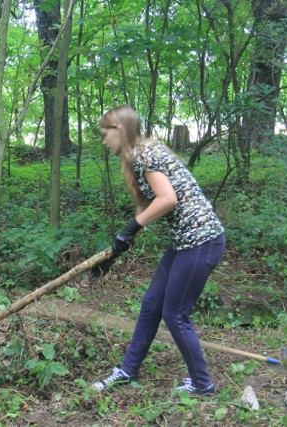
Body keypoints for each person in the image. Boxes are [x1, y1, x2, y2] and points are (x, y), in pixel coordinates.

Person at [91, 105, 226, 395]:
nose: (103, 141)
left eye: (105, 134)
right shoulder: (138, 155)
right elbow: (147, 206)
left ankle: (202, 384)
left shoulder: (144, 153)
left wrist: (129, 228)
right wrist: (117, 249)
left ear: (119, 129)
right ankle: (128, 369)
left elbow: (167, 199)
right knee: (152, 304)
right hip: (184, 240)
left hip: (201, 239)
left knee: (175, 314)